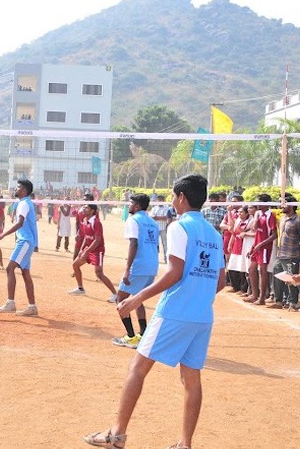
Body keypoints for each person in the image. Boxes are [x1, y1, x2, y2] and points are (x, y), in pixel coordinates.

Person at [84, 174, 225, 449]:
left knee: (137, 368)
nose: (172, 202)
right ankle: (185, 443)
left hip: (174, 312)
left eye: (174, 196)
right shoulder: (214, 234)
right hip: (202, 317)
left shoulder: (179, 227)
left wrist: (137, 298)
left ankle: (117, 434)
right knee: (192, 380)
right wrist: (198, 295)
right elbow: (220, 281)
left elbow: (175, 272)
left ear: (182, 198)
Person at [112, 193, 159, 349]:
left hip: (139, 265)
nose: (128, 205)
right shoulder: (152, 222)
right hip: (152, 265)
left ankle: (131, 337)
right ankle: (143, 334)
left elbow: (134, 243)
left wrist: (127, 269)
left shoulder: (133, 220)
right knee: (138, 299)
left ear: (137, 206)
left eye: (131, 203)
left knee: (121, 299)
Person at [0, 179, 39, 317]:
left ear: (23, 191)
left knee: (10, 268)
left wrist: (2, 235)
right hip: (26, 241)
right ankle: (32, 307)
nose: (15, 189)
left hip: (25, 241)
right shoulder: (24, 203)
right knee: (25, 273)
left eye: (18, 187)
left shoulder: (24, 203)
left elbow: (20, 223)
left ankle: (10, 303)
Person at [68, 204, 118, 302]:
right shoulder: (84, 221)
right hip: (88, 249)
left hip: (97, 250)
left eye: (86, 208)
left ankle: (115, 294)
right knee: (75, 265)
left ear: (92, 211)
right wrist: (81, 250)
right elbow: (86, 237)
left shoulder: (96, 222)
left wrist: (86, 251)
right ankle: (80, 288)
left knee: (99, 273)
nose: (84, 209)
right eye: (84, 207)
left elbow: (97, 240)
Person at [270, 195, 300, 309]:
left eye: (284, 204)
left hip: (292, 255)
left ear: (291, 206)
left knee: (291, 279)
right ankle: (279, 301)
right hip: (280, 254)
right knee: (277, 276)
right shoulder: (283, 218)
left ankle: (292, 302)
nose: (282, 206)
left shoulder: (298, 221)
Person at [246, 193, 277, 305]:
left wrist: (261, 244)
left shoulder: (270, 215)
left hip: (264, 247)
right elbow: (256, 231)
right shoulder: (258, 214)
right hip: (257, 245)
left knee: (263, 271)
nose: (257, 204)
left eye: (259, 201)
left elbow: (274, 235)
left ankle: (262, 297)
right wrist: (253, 246)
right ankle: (254, 294)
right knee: (251, 269)